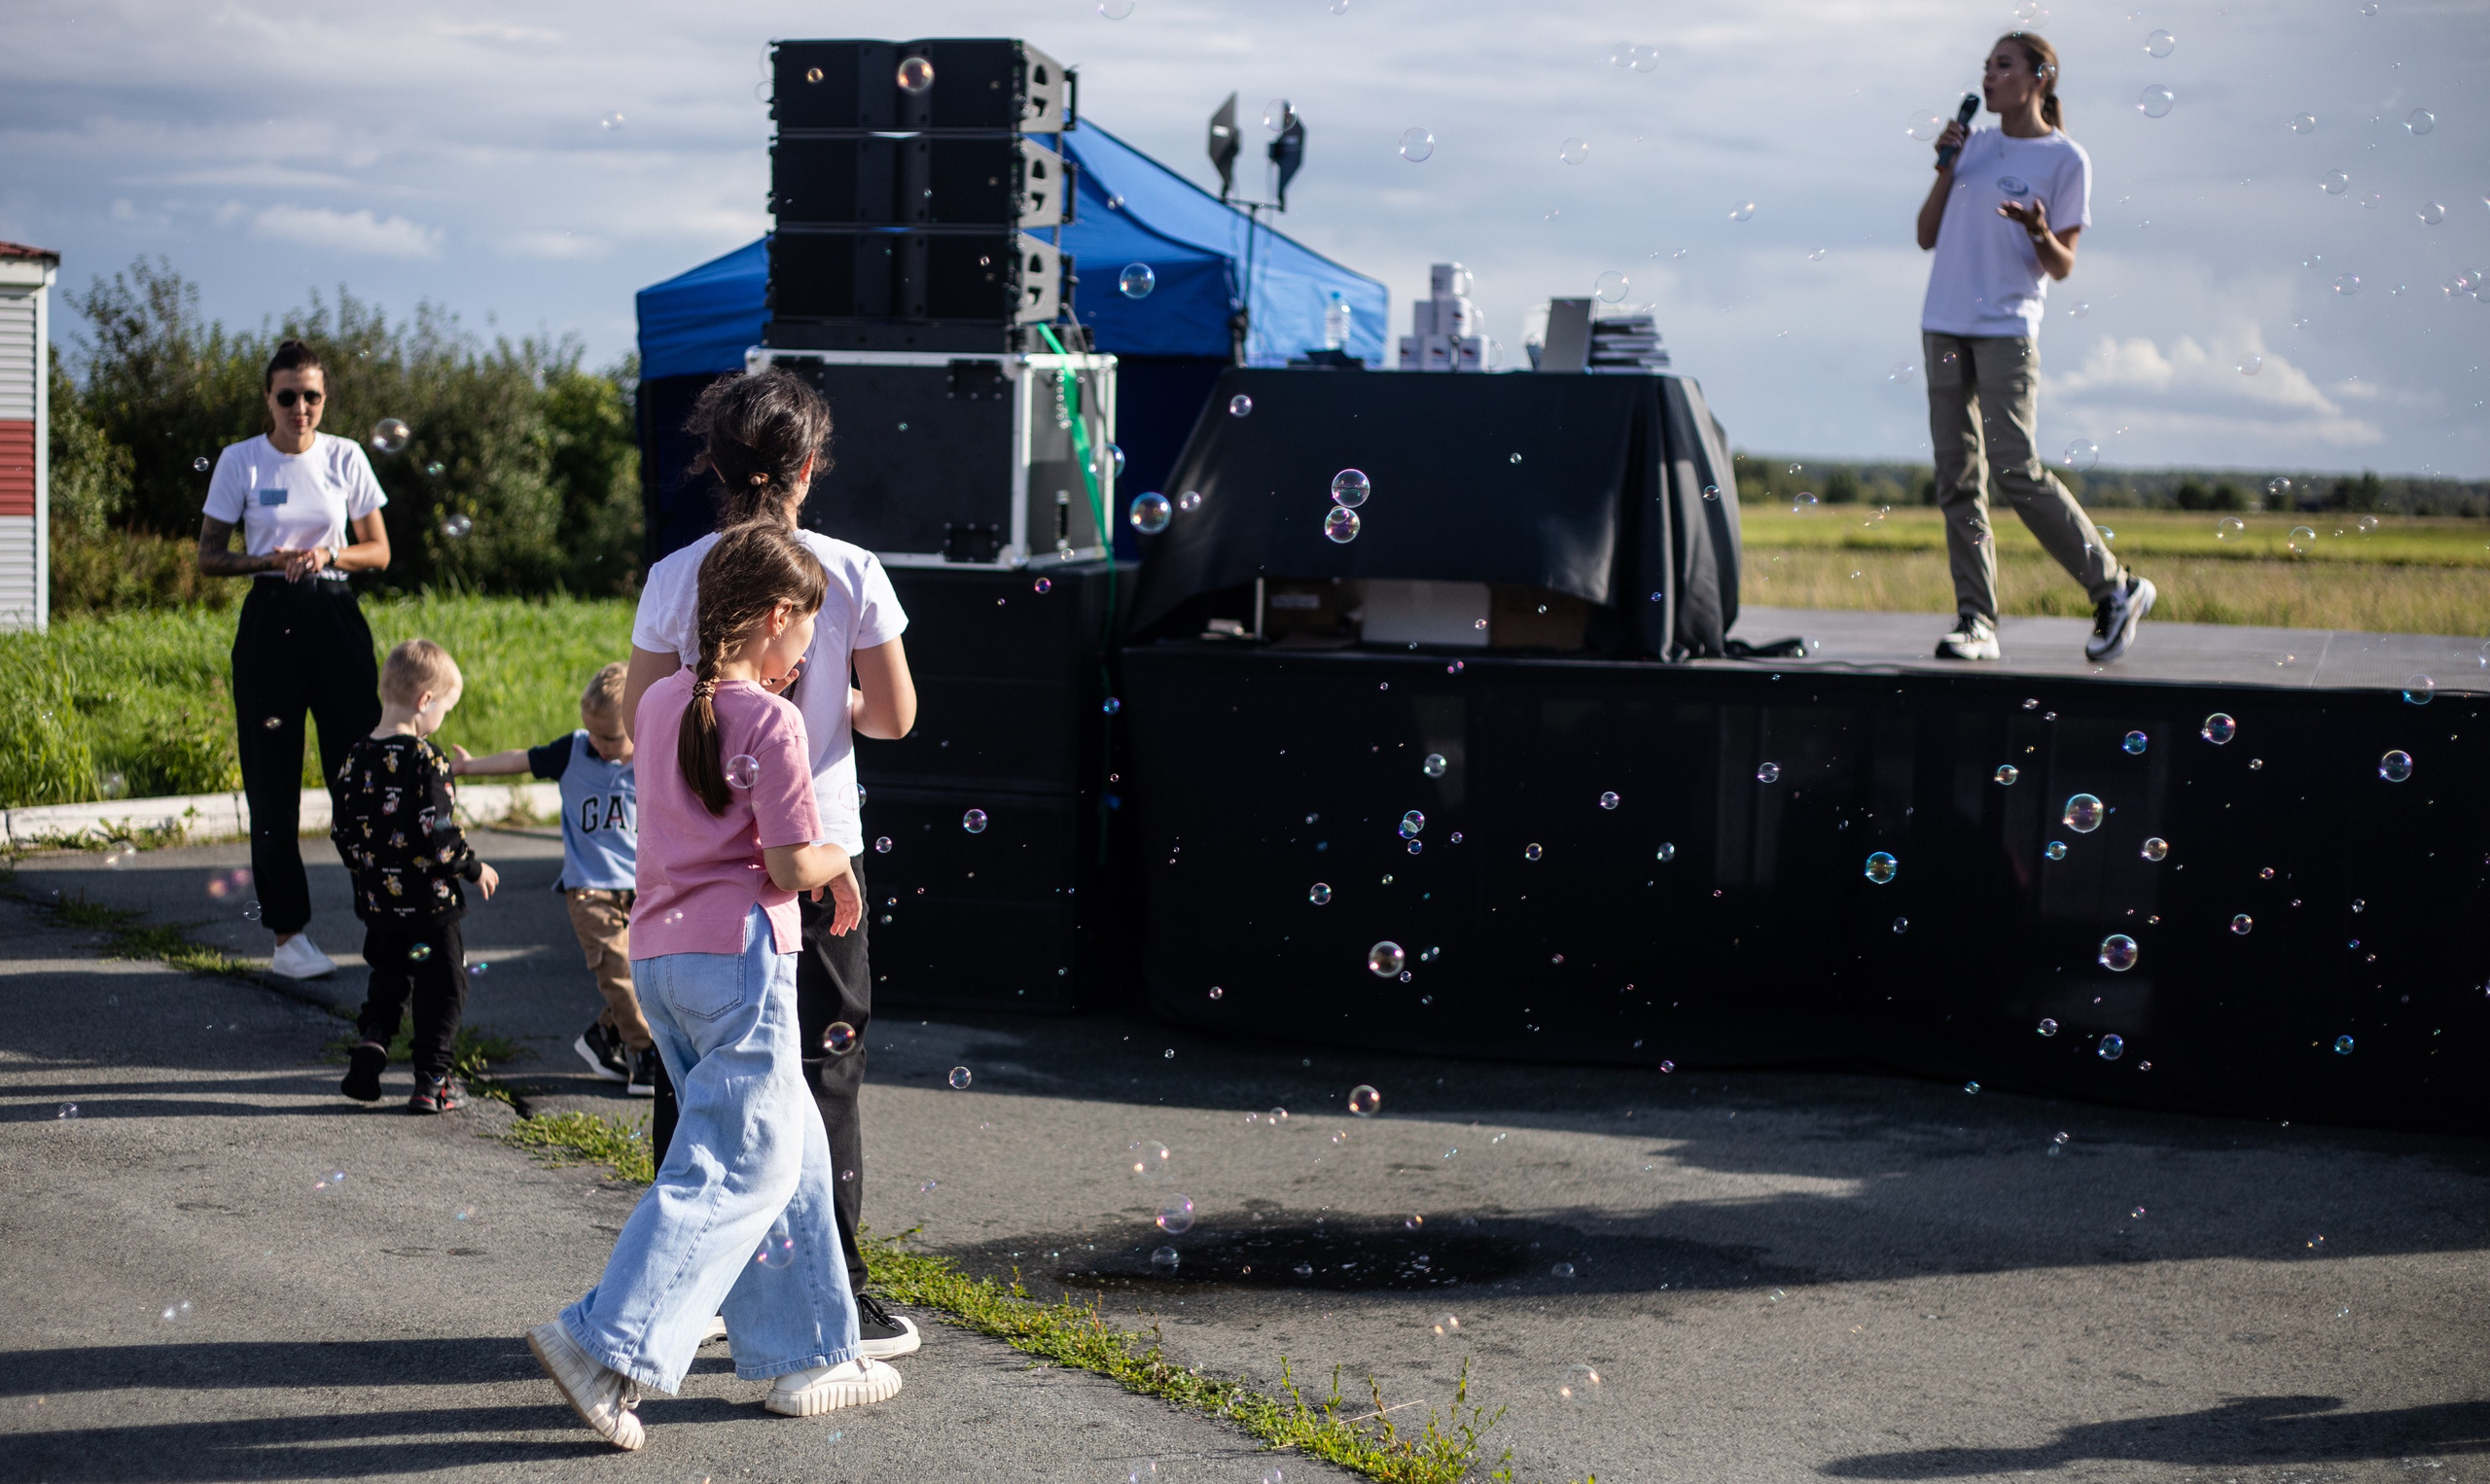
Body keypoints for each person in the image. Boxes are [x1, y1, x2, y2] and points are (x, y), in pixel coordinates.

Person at [527, 523, 898, 1448]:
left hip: (662, 961)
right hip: (740, 957)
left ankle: (812, 1350)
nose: (808, 662)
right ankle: (604, 1344)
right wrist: (838, 863)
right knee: (740, 1159)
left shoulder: (655, 708)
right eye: (807, 642)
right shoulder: (770, 722)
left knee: (789, 1137)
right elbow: (783, 855)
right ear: (776, 619)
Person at [621, 368, 920, 1360]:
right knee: (824, 1066)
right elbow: (896, 714)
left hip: (692, 868)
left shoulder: (675, 575)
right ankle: (846, 1289)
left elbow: (643, 719)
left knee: (693, 1076)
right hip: (817, 850)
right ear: (808, 467)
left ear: (711, 463)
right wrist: (823, 712)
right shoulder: (853, 568)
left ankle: (695, 1289)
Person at [1915, 32, 2154, 664]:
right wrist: (1945, 164)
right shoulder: (1972, 147)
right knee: (1957, 478)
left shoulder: (2066, 160)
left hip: (2005, 330)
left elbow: (2063, 264)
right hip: (1943, 324)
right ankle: (1976, 622)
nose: (1988, 77)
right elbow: (1924, 234)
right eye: (1986, 67)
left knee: (2015, 469)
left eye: (2003, 66)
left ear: (2040, 78)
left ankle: (2115, 587)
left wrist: (2041, 230)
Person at [199, 338, 394, 979]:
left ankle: (384, 923)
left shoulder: (346, 457)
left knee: (360, 776)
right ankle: (290, 939)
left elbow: (379, 551)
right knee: (272, 783)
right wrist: (271, 558)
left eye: (312, 395)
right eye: (288, 396)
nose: (300, 407)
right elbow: (210, 556)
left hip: (335, 616)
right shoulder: (240, 461)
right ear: (268, 398)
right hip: (269, 618)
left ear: (324, 398)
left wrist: (328, 555)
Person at [452, 661, 657, 1095]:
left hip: (643, 889)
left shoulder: (655, 757)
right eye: (594, 733)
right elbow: (522, 760)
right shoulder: (574, 751)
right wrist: (469, 768)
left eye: (611, 737)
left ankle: (604, 1038)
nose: (599, 745)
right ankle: (646, 1056)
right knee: (617, 972)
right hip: (589, 890)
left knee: (645, 978)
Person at [334, 640, 499, 1113]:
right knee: (443, 986)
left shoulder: (355, 755)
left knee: (388, 977)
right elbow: (439, 834)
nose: (442, 718)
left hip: (380, 906)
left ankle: (374, 1039)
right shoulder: (428, 759)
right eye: (445, 708)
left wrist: (367, 873)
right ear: (425, 700)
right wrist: (473, 867)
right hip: (431, 908)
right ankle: (434, 1080)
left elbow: (342, 832)